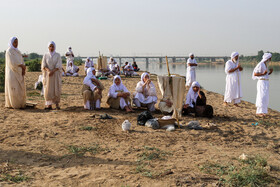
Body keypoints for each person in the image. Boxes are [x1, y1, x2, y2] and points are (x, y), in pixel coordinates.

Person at [5, 37, 26, 109]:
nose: (16, 44)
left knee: (19, 89)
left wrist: (23, 68)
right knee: (13, 88)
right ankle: (13, 104)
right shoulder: (9, 51)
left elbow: (22, 60)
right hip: (12, 73)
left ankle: (20, 104)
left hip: (19, 72)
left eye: (17, 42)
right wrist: (21, 65)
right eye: (15, 42)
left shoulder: (18, 51)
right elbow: (12, 62)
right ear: (11, 42)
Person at [41, 41, 62, 110]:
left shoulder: (57, 55)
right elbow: (43, 65)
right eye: (50, 46)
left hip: (55, 74)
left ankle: (57, 104)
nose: (51, 48)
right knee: (48, 89)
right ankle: (49, 105)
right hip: (48, 75)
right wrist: (48, 71)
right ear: (48, 47)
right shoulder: (45, 55)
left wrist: (53, 71)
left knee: (56, 89)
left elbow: (59, 65)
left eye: (52, 46)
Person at [252, 53, 273, 117]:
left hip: (265, 82)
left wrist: (270, 73)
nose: (270, 59)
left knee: (265, 97)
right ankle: (259, 111)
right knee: (261, 96)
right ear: (267, 58)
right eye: (270, 57)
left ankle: (263, 111)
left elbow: (265, 74)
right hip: (261, 82)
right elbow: (255, 74)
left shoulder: (265, 64)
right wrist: (263, 73)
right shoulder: (260, 64)